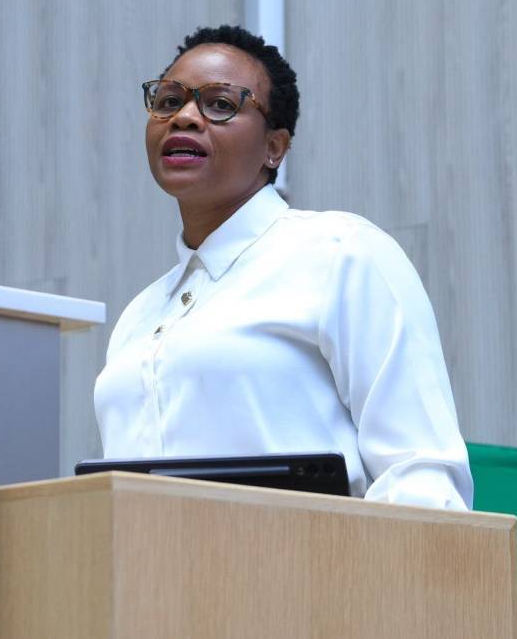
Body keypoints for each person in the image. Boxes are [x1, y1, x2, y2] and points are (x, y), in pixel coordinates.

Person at [93, 25, 473, 510]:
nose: (184, 117)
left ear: (274, 147)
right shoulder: (138, 317)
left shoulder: (340, 253)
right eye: (168, 101)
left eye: (220, 104)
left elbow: (421, 473)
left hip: (315, 558)